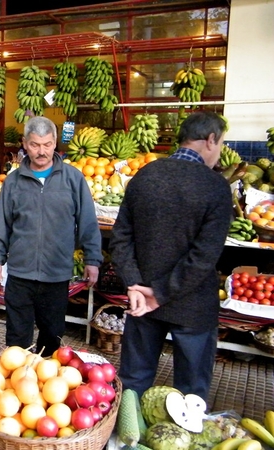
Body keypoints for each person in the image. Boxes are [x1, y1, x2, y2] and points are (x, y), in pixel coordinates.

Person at [109, 111, 232, 402]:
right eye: (222, 144)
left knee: (133, 384)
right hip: (192, 307)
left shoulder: (145, 175)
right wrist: (160, 292)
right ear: (211, 140)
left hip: (142, 303)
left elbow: (120, 238)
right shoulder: (216, 186)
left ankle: (127, 442)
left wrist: (136, 285)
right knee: (191, 391)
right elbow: (204, 256)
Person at [0, 116, 103, 356]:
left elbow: (88, 222)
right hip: (20, 272)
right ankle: (16, 386)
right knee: (17, 339)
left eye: (47, 144)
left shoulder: (72, 178)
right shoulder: (13, 181)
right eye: (35, 145)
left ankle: (44, 387)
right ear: (25, 144)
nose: (41, 151)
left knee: (52, 337)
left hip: (56, 273)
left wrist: (92, 259)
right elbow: (2, 222)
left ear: (55, 142)